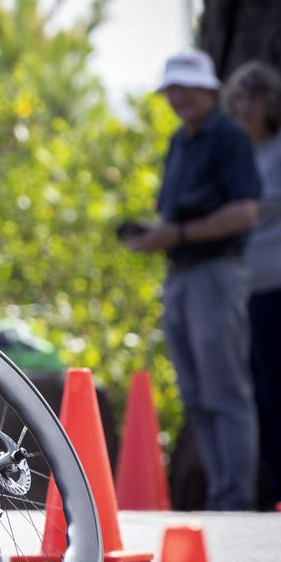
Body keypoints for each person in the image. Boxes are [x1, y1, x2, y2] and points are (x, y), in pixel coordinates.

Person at [125, 50, 261, 511]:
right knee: (196, 395)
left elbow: (245, 212)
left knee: (225, 392)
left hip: (217, 274)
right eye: (172, 89)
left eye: (187, 87)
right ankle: (224, 496)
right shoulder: (181, 141)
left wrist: (176, 233)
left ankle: (236, 499)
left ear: (209, 89)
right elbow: (177, 213)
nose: (178, 97)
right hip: (181, 276)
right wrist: (157, 236)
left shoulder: (228, 138)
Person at [223, 59, 281, 510]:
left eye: (252, 97)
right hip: (241, 290)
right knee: (254, 391)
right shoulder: (236, 153)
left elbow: (252, 210)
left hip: (274, 286)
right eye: (237, 97)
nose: (243, 106)